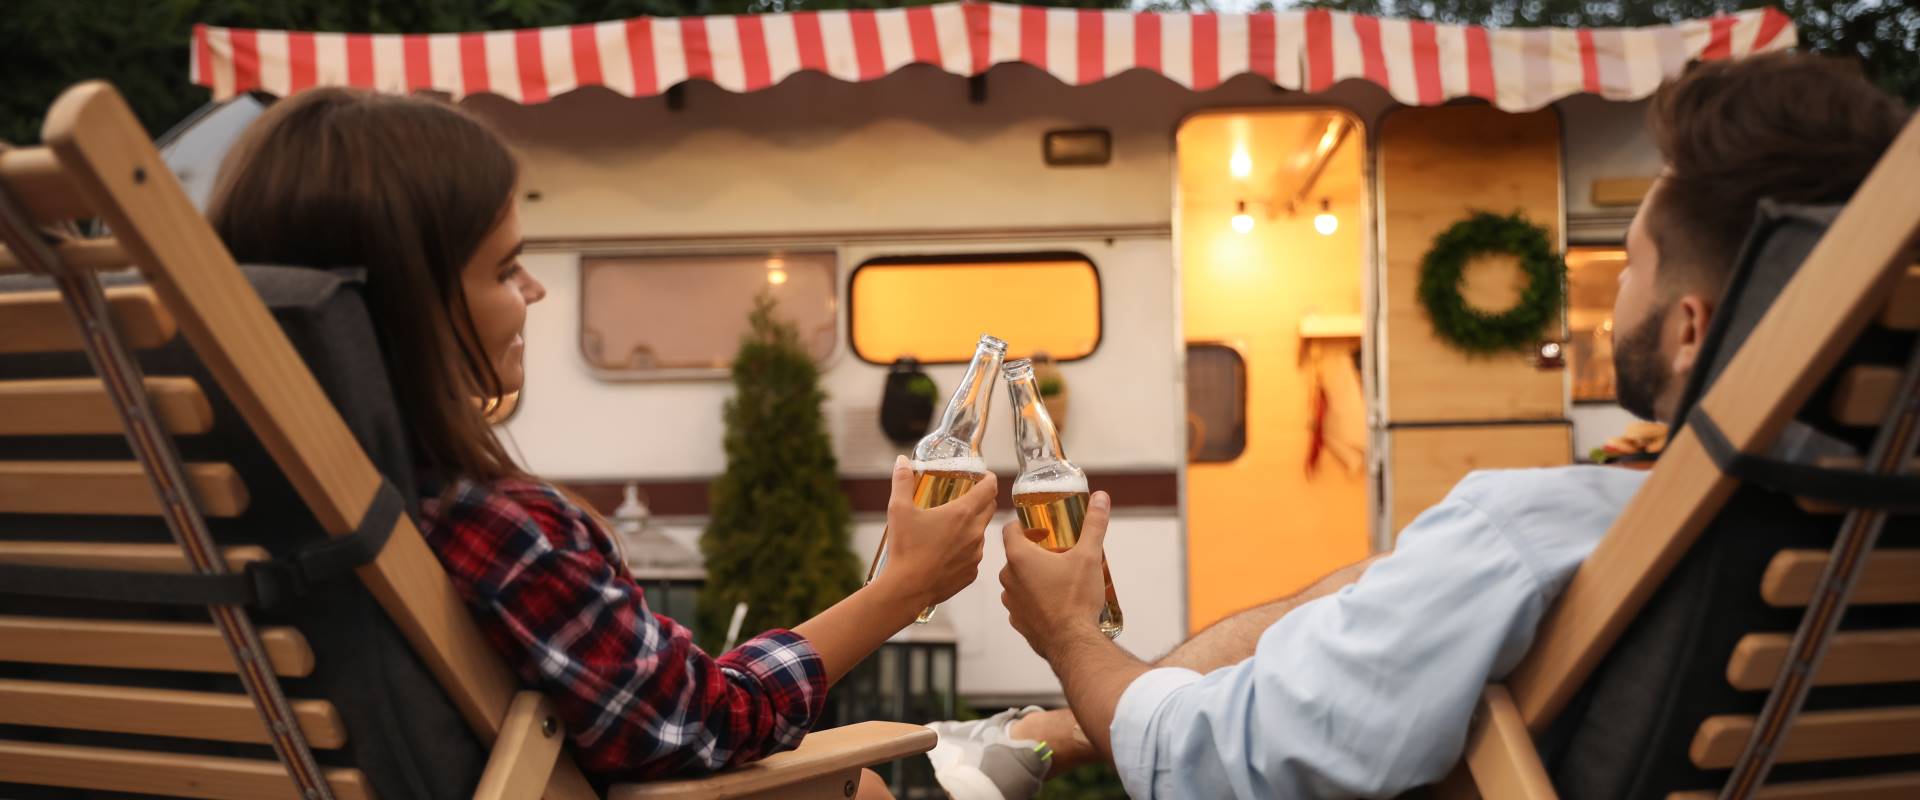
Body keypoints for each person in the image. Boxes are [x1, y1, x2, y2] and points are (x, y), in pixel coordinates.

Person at [927, 52, 1911, 800]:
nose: (1612, 301)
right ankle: (1048, 728)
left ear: (1691, 329)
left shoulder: (1533, 530)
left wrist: (1064, 628)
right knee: (1374, 578)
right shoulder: (1874, 542)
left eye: (1630, 266)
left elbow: (1212, 759)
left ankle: (1047, 724)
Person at [206, 88, 997, 793]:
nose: (535, 291)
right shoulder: (490, 528)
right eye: (507, 267)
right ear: (411, 306)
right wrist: (903, 587)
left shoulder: (210, 502)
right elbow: (705, 724)